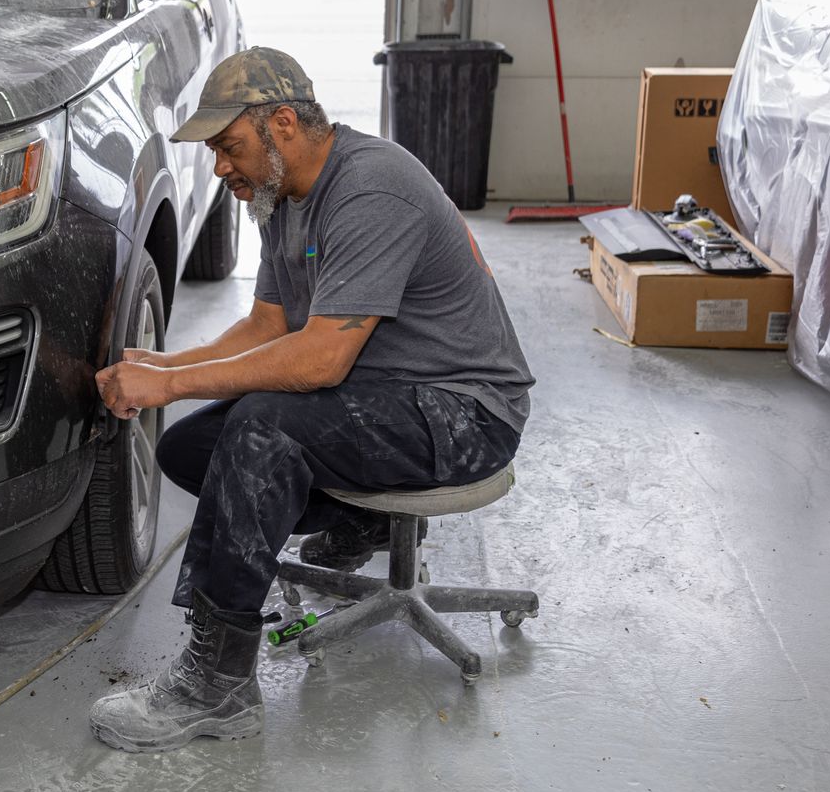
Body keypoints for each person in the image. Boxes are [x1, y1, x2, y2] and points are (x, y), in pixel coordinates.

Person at [87, 46, 534, 753]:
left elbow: (322, 358)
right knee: (191, 446)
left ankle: (220, 684)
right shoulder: (281, 197)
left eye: (228, 147)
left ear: (283, 124)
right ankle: (367, 519)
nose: (221, 168)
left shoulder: (370, 189)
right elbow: (268, 326)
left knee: (264, 427)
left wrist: (169, 384)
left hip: (465, 413)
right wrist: (168, 363)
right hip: (386, 400)